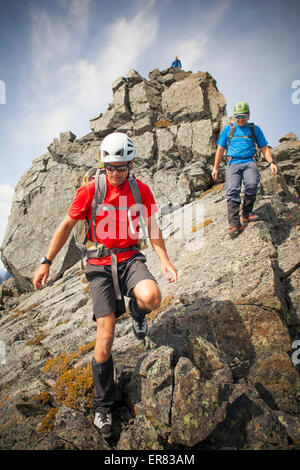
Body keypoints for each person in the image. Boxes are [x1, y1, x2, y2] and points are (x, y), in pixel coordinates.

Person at [32, 132, 177, 439]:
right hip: (99, 266)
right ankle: (103, 407)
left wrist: (164, 260)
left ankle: (137, 313)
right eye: (110, 166)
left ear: (131, 164)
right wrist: (46, 261)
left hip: (129, 258)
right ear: (103, 163)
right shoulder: (90, 191)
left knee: (152, 297)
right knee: (106, 335)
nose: (115, 172)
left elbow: (152, 226)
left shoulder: (141, 190)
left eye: (122, 166)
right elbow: (67, 225)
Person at [212, 101, 278, 238]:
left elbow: (264, 148)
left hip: (249, 162)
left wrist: (272, 162)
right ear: (234, 116)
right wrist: (215, 168)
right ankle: (234, 223)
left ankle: (247, 213)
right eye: (237, 117)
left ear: (248, 115)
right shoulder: (228, 129)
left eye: (243, 116)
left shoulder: (255, 129)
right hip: (233, 163)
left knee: (252, 184)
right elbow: (220, 149)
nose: (240, 119)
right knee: (232, 190)